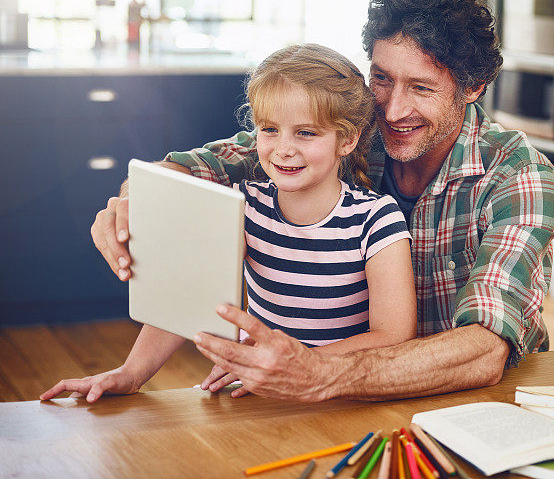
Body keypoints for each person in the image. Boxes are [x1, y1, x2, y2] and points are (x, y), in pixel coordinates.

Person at [86, 0, 554, 402]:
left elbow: (483, 350)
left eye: (421, 88)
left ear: (473, 87)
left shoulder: (519, 176)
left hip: (479, 399)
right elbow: (201, 166)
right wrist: (135, 201)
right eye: (381, 78)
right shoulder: (340, 134)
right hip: (337, 399)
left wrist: (315, 369)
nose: (392, 112)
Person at [40, 44, 417, 403]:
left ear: (347, 139)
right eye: (269, 129)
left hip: (348, 397)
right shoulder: (241, 206)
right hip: (263, 394)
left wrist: (295, 364)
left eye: (306, 132)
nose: (283, 148)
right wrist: (132, 373)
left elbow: (395, 335)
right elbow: (188, 301)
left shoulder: (377, 219)